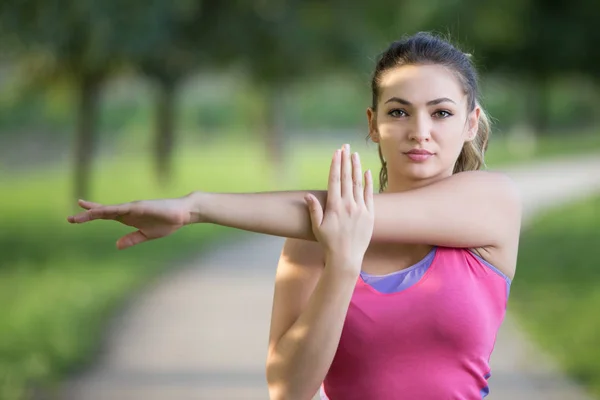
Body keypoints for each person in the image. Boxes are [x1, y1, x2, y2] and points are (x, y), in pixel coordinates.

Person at [67, 32, 522, 399]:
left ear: (469, 123)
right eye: (398, 112)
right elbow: (288, 391)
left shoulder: (492, 204)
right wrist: (341, 266)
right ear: (372, 123)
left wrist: (196, 207)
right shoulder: (311, 235)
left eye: (441, 113)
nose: (419, 132)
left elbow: (338, 211)